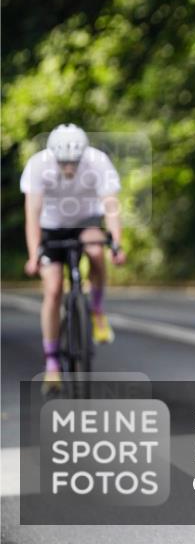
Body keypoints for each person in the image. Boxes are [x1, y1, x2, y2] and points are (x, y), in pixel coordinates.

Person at [21, 124, 126, 391]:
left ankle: (97, 311)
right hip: (50, 226)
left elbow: (111, 205)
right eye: (64, 162)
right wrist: (34, 254)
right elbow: (32, 213)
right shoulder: (37, 166)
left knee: (95, 249)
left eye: (74, 162)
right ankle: (52, 364)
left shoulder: (98, 162)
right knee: (53, 290)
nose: (69, 168)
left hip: (85, 220)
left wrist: (116, 242)